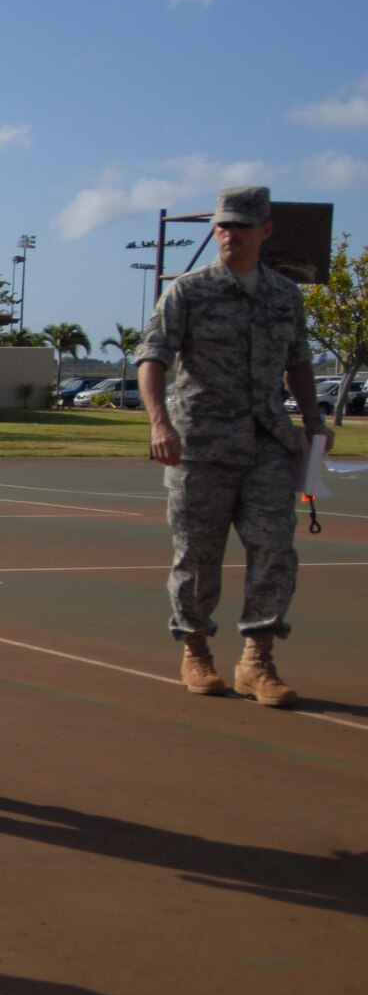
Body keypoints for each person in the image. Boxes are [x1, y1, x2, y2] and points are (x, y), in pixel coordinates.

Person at [137, 186, 327, 707]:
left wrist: (313, 420)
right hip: (200, 443)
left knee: (274, 548)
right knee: (198, 556)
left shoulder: (284, 295)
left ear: (264, 231)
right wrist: (159, 423)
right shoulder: (189, 291)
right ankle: (195, 648)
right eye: (223, 225)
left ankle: (257, 659)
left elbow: (299, 362)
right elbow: (152, 357)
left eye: (242, 225)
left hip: (267, 440)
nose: (231, 233)